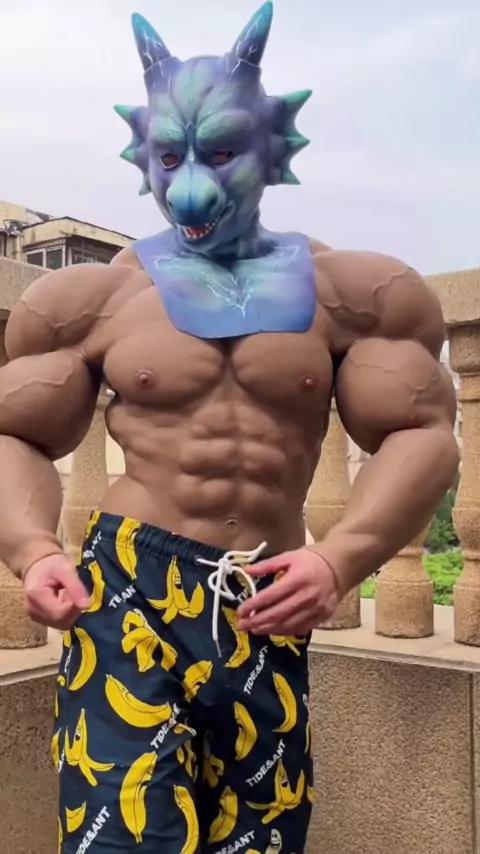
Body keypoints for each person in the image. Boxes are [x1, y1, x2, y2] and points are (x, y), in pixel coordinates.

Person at [0, 3, 458, 853]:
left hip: (265, 595)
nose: (189, 185)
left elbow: (425, 430)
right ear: (143, 156)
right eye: (170, 157)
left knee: (260, 837)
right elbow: (15, 433)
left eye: (218, 153)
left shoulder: (352, 292)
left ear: (272, 149)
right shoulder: (92, 298)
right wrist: (33, 549)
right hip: (128, 591)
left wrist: (342, 558)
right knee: (121, 836)